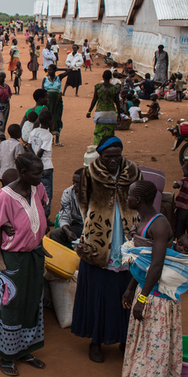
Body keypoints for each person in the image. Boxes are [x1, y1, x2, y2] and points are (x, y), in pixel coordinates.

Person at [121, 181, 188, 377]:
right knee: (147, 342)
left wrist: (142, 298)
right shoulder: (141, 222)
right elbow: (140, 260)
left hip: (157, 296)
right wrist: (130, 288)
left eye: (130, 195)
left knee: (156, 346)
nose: (127, 198)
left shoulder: (159, 224)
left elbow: (156, 265)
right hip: (146, 290)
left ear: (140, 200)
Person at [71, 136, 142, 363]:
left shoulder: (133, 171)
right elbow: (83, 203)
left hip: (128, 232)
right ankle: (96, 341)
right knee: (99, 291)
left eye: (117, 156)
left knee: (125, 289)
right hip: (99, 237)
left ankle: (124, 339)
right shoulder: (89, 173)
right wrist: (91, 229)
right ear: (100, 155)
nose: (113, 161)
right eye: (108, 156)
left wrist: (137, 226)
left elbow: (141, 199)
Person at [0, 152, 50, 376]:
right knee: (9, 304)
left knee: (31, 301)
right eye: (36, 173)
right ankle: (5, 355)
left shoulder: (37, 188)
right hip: (12, 259)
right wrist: (0, 229)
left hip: (34, 255)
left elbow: (41, 207)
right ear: (23, 173)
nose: (41, 176)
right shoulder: (5, 196)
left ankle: (24, 349)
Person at [28, 110, 56, 221]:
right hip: (46, 167)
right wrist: (37, 160)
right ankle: (44, 217)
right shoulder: (48, 135)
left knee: (34, 191)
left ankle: (34, 215)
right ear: (50, 122)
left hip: (34, 166)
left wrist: (33, 160)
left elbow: (29, 146)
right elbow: (42, 152)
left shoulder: (34, 131)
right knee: (47, 193)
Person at [50, 169, 84, 248]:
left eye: (78, 183)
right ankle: (59, 259)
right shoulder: (68, 193)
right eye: (74, 182)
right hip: (77, 225)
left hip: (92, 228)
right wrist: (68, 231)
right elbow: (64, 216)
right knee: (55, 234)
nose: (75, 185)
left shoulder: (96, 195)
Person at [87, 70, 122, 146]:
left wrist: (89, 112)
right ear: (111, 77)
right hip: (111, 113)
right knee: (110, 132)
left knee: (99, 132)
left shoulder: (98, 87)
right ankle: (108, 147)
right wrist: (119, 113)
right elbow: (117, 102)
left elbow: (94, 100)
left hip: (100, 112)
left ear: (102, 77)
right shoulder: (115, 88)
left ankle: (98, 147)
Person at [42, 65, 69, 145]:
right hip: (48, 103)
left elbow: (69, 70)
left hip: (57, 103)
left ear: (54, 70)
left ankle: (57, 140)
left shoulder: (59, 77)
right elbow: (42, 91)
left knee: (57, 118)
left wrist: (59, 68)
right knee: (47, 119)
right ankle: (49, 139)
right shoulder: (45, 79)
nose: (49, 72)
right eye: (48, 70)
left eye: (50, 70)